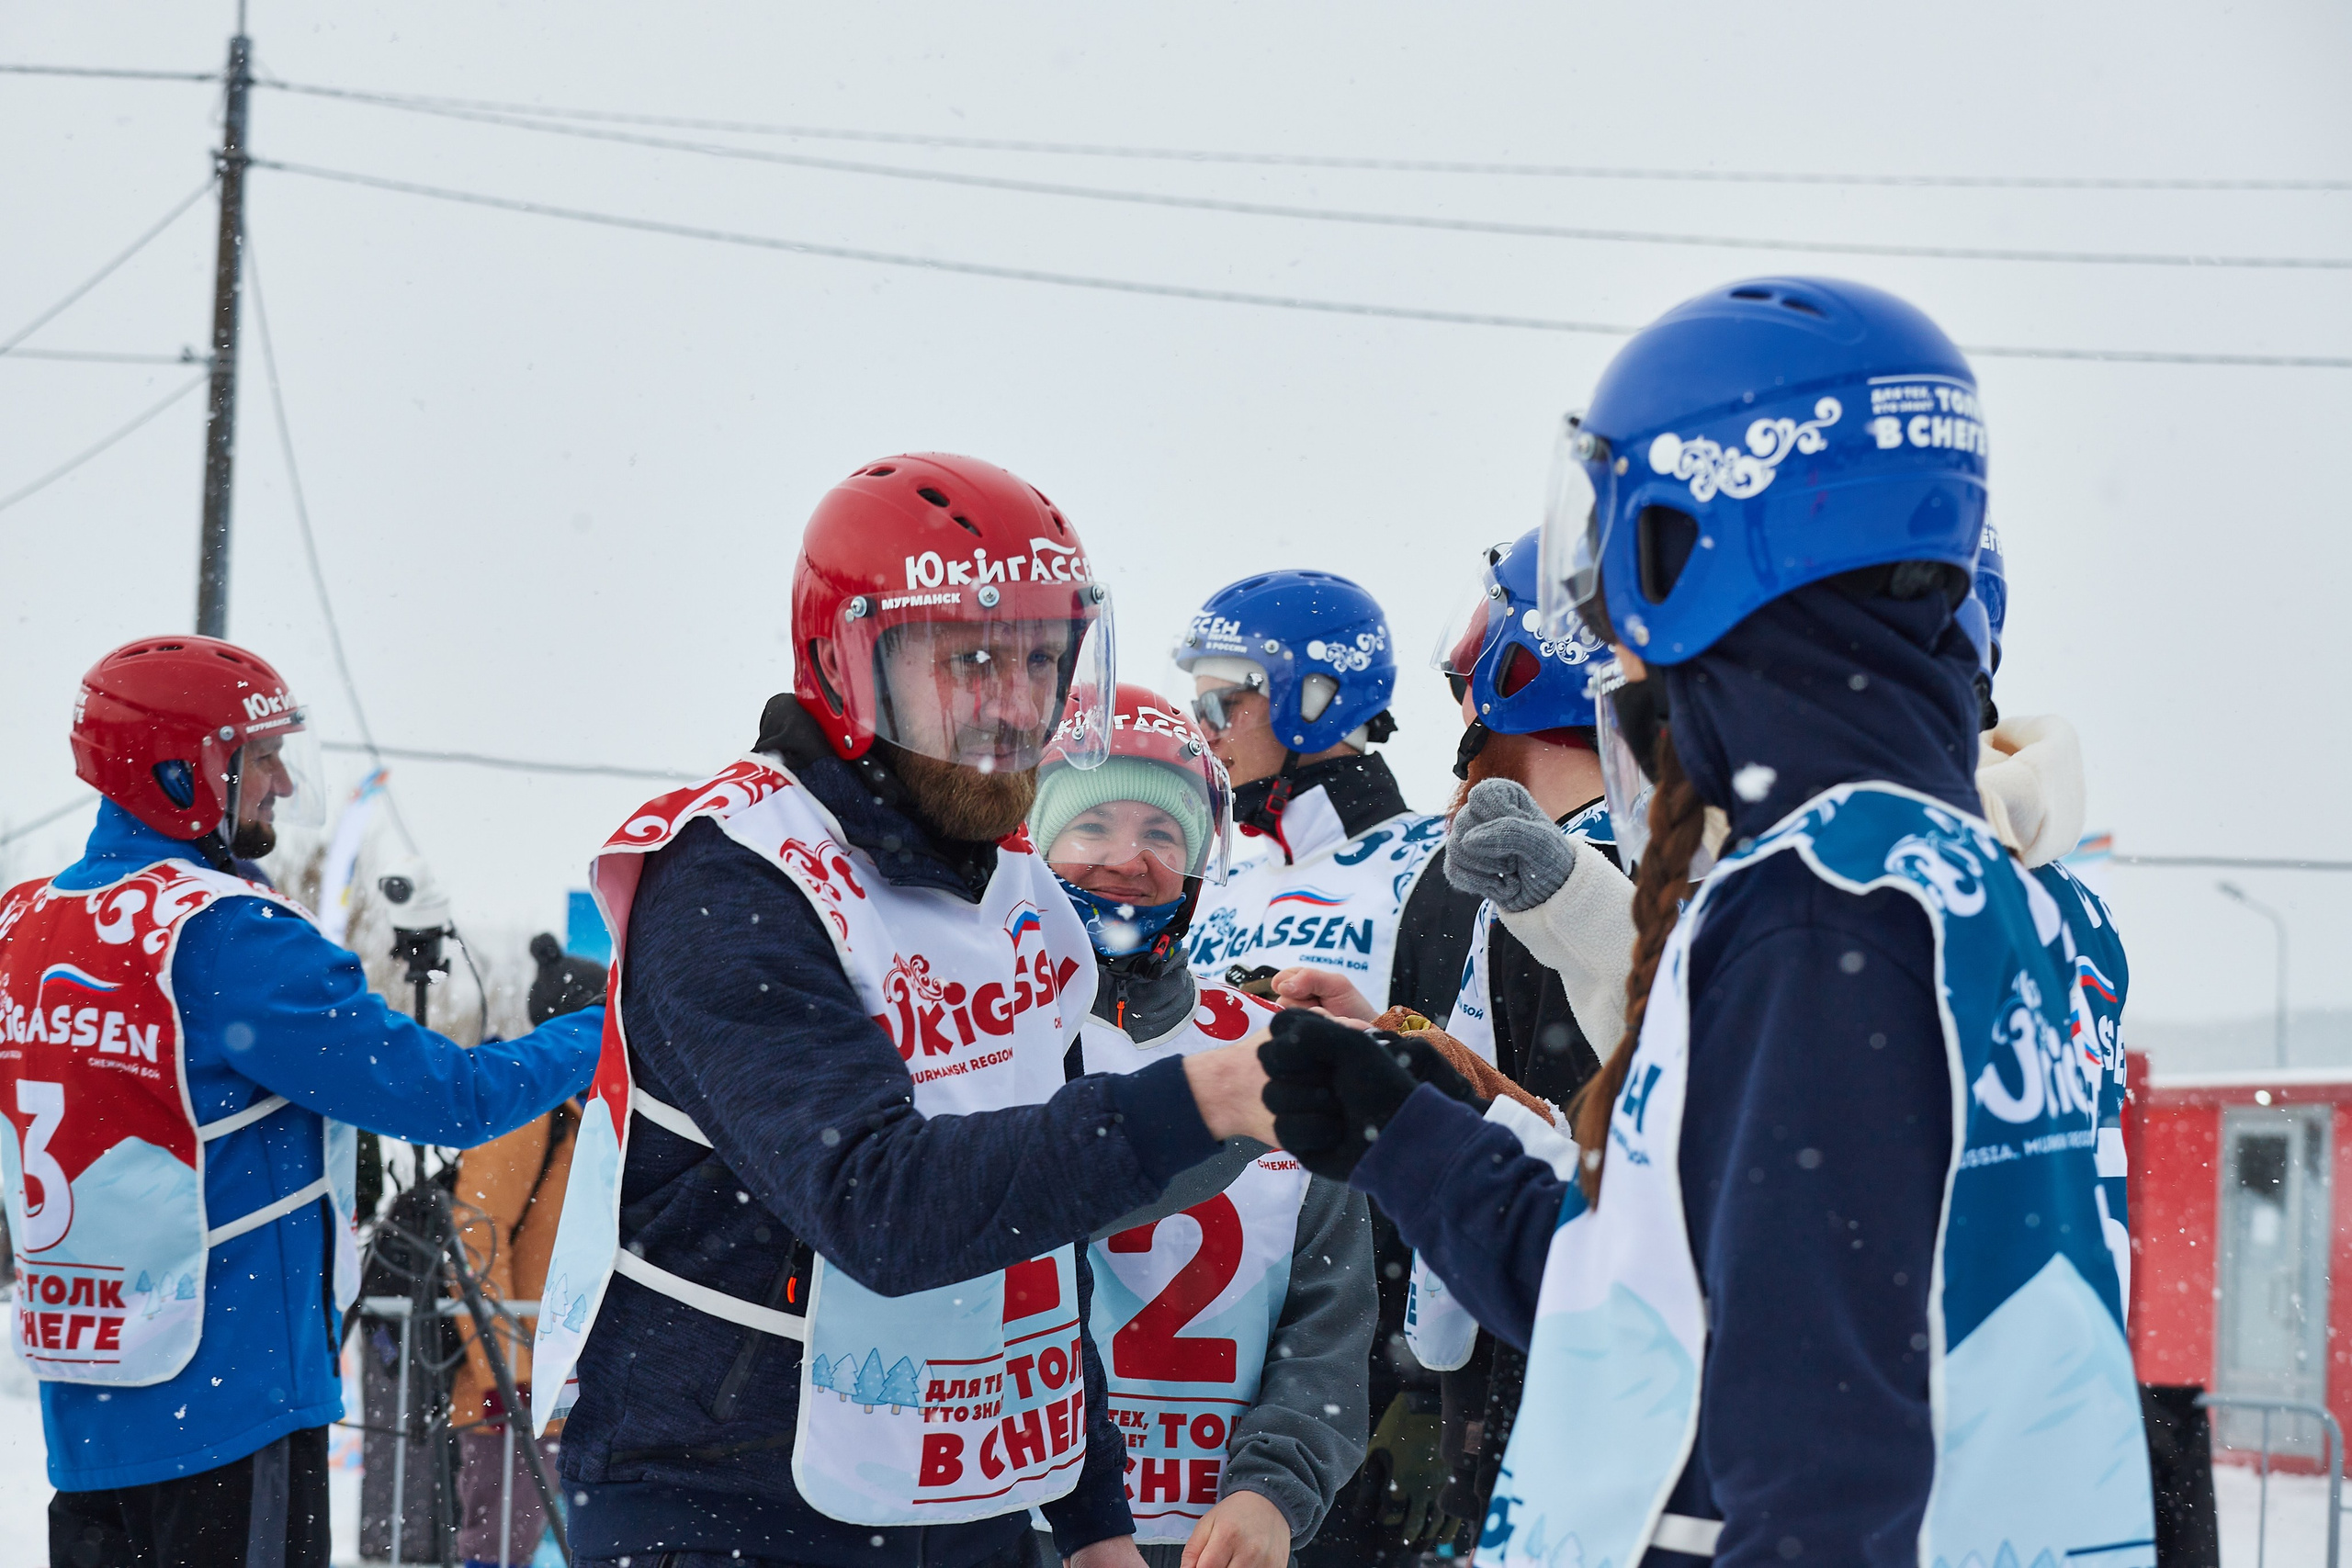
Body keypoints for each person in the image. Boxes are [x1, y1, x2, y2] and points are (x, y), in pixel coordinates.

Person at [1214, 277, 2155, 1564]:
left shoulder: (1825, 920)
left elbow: (1827, 1475)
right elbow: (1657, 1309)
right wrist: (1407, 1133)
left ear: (1695, 541)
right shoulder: (1936, 888)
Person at [526, 456, 1268, 1568]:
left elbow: (1036, 1231)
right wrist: (1197, 1099)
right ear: (846, 663)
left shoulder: (1017, 884)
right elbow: (876, 1203)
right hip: (720, 1500)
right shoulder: (735, 876)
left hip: (964, 1490)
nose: (1016, 709)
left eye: (1042, 660)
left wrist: (1092, 1519)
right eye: (972, 661)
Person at [3, 635, 603, 1568]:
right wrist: (612, 1026)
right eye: (258, 757)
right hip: (230, 1407)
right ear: (176, 772)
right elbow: (453, 1096)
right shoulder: (225, 934)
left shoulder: (26, 923)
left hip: (90, 1412)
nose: (281, 782)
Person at [1173, 571, 1483, 1564]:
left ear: (1318, 697)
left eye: (1227, 693)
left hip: (1357, 1334)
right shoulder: (1211, 870)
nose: (1204, 721)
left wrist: (1418, 1375)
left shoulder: (1424, 866)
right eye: (1196, 696)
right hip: (1198, 1307)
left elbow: (1467, 1080)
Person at [1029, 684, 1375, 1568]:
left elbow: (1329, 1315)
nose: (1127, 859)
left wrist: (1274, 1488)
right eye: (1092, 824)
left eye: (1161, 832)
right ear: (1030, 842)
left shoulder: (1273, 1046)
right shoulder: (984, 1036)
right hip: (1014, 1522)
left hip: (1216, 1537)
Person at [444, 933, 606, 1568]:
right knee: (500, 1541)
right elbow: (474, 1240)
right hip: (517, 1386)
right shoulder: (527, 1112)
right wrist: (503, 1374)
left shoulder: (589, 1112)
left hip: (569, 1384)